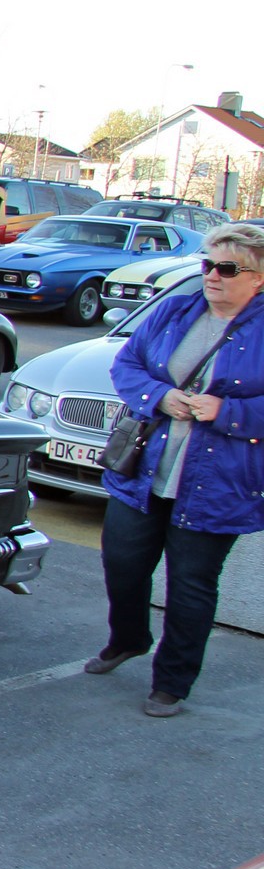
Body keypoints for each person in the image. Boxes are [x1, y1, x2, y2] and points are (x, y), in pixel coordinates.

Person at [87, 222, 264, 718]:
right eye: (208, 264)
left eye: (228, 268)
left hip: (219, 484)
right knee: (122, 564)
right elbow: (127, 365)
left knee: (190, 585)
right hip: (145, 469)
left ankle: (172, 681)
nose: (213, 275)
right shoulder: (174, 310)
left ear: (258, 279)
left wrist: (226, 412)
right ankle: (129, 639)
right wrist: (160, 396)